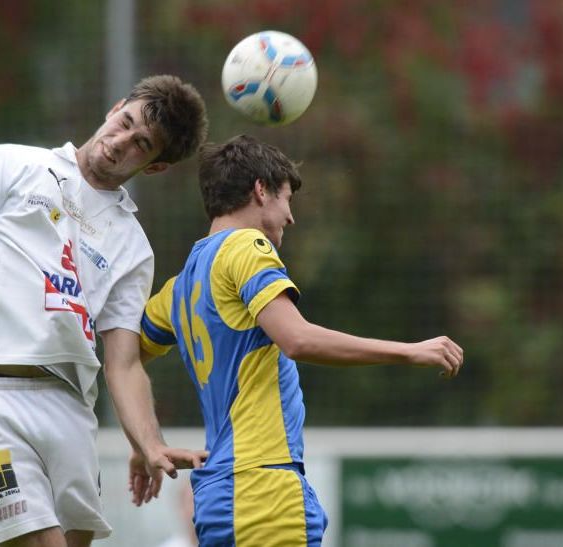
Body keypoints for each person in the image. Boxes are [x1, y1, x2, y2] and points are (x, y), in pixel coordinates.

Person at [0, 74, 209, 547]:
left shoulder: (134, 248)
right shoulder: (8, 163)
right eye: (125, 123)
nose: (120, 142)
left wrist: (147, 442)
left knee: (67, 540)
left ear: (154, 167)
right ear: (114, 108)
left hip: (68, 407)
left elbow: (123, 363)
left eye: (141, 144)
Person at [139, 134, 464, 546]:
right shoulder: (245, 246)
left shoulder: (180, 286)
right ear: (260, 190)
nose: (290, 217)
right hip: (265, 492)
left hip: (219, 497)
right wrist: (409, 351)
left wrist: (142, 440)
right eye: (286, 199)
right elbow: (297, 339)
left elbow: (124, 358)